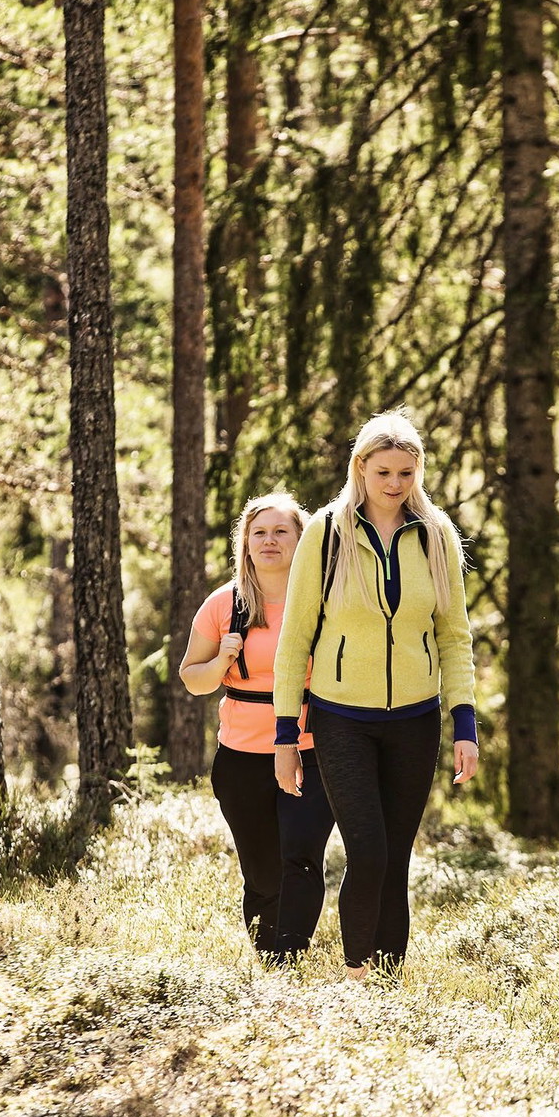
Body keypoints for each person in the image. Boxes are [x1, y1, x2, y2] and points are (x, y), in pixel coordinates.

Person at [273, 412, 478, 981]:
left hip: (416, 720)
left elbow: (454, 636)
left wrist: (465, 726)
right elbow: (295, 639)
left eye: (406, 473)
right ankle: (358, 975)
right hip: (341, 719)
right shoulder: (325, 532)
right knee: (368, 850)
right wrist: (286, 736)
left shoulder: (436, 535)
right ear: (360, 468)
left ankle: (388, 983)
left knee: (396, 860)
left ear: (419, 473)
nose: (394, 484)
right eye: (383, 471)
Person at [179, 493, 334, 962]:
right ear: (245, 543)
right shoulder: (223, 604)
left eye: (281, 531)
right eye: (259, 533)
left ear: (301, 539)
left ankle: (290, 962)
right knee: (263, 871)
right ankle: (269, 961)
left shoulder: (326, 599)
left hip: (311, 749)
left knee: (302, 860)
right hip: (242, 757)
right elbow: (193, 678)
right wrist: (223, 658)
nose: (269, 541)